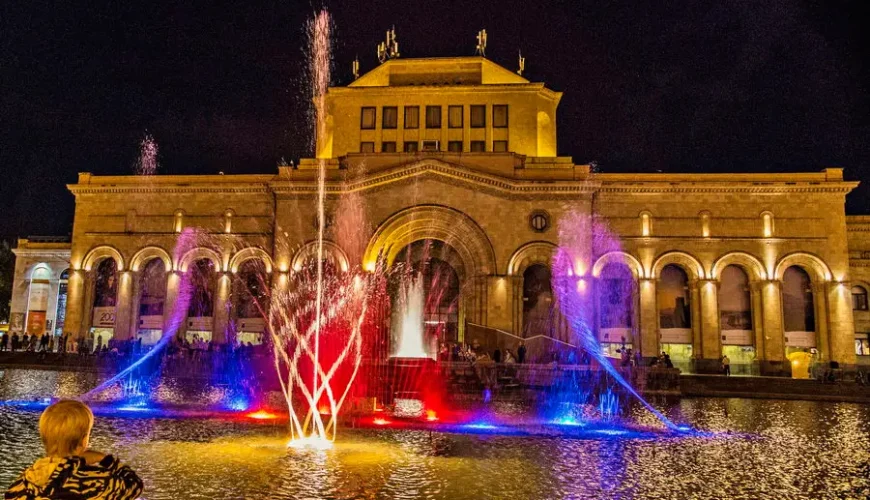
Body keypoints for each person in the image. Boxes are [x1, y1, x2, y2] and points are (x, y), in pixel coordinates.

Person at [4, 399, 143, 499]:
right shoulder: (98, 482)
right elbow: (134, 486)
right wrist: (105, 459)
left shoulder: (24, 481)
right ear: (83, 440)